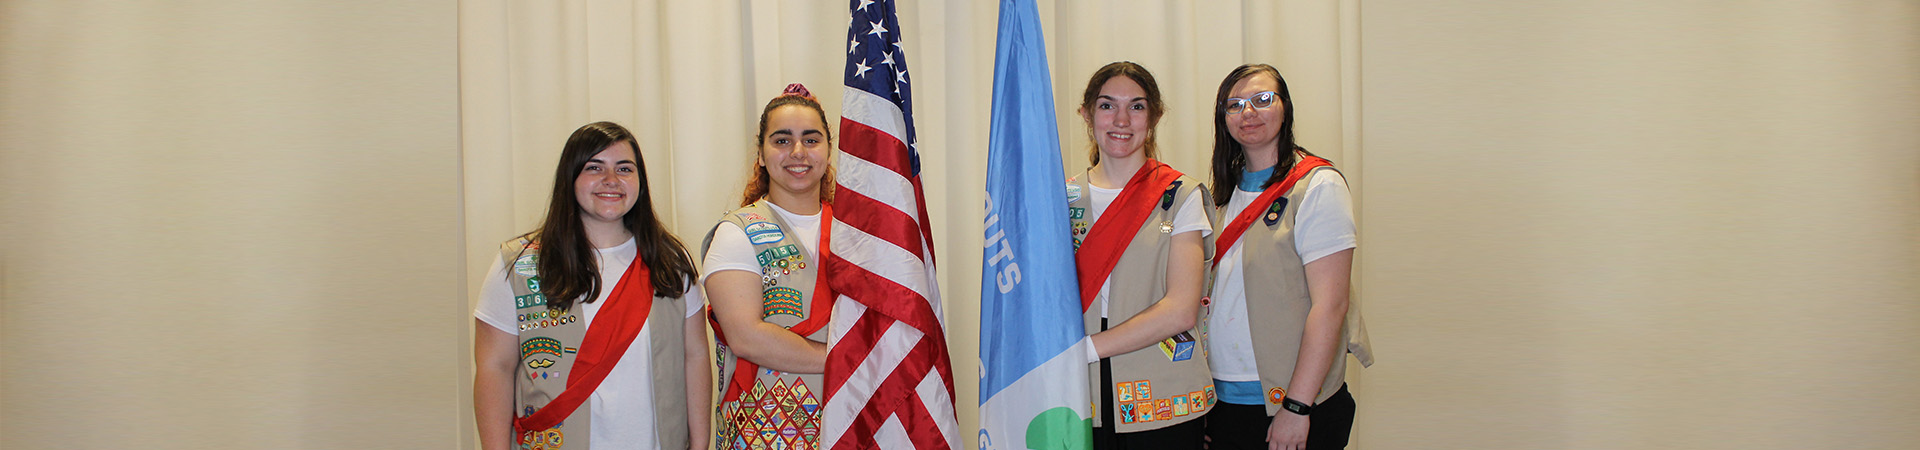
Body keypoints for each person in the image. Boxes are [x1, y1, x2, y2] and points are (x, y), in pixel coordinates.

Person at [472, 121, 711, 450]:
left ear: (640, 180)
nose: (611, 180)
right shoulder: (517, 265)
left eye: (624, 168)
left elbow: (695, 356)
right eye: (594, 168)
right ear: (570, 178)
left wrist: (699, 444)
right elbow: (494, 367)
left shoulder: (671, 263)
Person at [1201, 64, 1374, 450]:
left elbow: (1331, 305)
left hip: (1292, 404)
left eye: (1262, 99)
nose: (1248, 112)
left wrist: (1297, 407)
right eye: (1234, 104)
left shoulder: (1317, 186)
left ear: (1285, 107)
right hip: (1225, 401)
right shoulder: (1219, 197)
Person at [1068, 61, 1215, 450]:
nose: (1121, 119)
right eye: (1106, 105)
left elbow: (1181, 309)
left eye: (1136, 106)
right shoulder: (1058, 197)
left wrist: (1082, 350)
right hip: (1078, 395)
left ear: (1154, 117)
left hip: (1162, 395)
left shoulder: (1180, 196)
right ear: (1086, 113)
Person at [701, 83, 838, 450]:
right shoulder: (736, 233)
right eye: (781, 140)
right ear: (760, 153)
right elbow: (747, 336)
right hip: (763, 430)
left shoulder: (856, 232)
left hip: (850, 419)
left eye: (811, 140)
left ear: (828, 149)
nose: (798, 152)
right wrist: (847, 358)